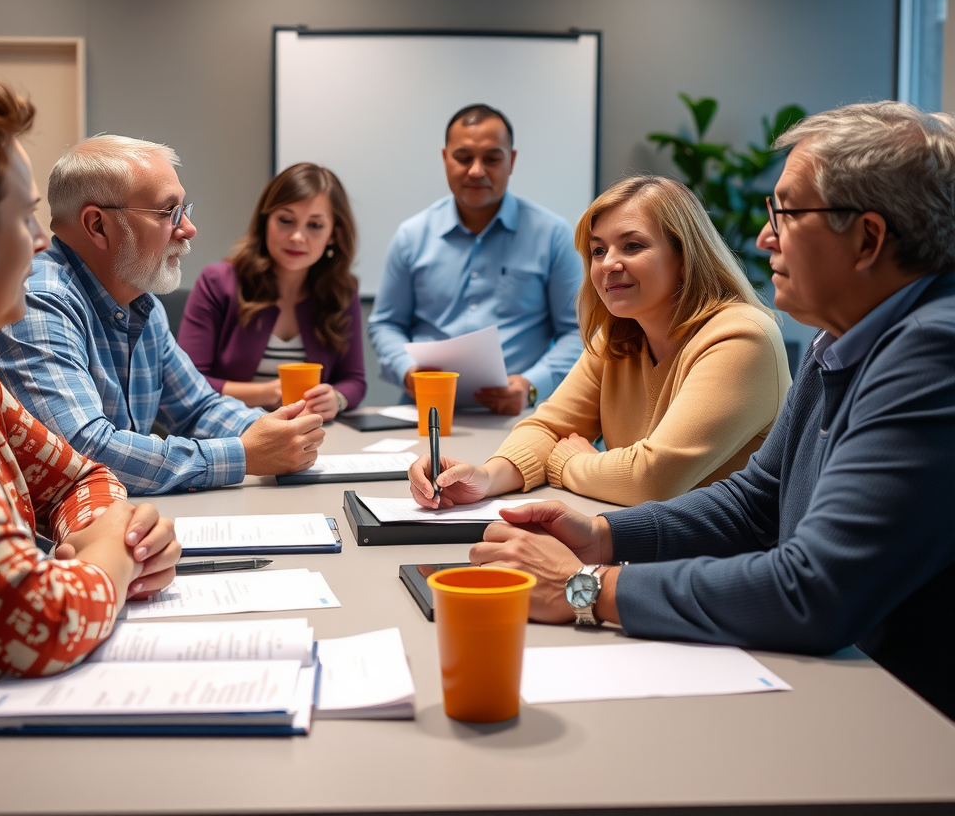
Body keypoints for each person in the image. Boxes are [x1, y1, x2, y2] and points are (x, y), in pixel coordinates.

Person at [470, 101, 955, 720]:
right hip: (851, 681)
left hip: (913, 721)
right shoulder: (838, 341)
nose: (764, 236)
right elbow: (759, 503)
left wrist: (584, 588)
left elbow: (814, 591)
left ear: (867, 238)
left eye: (786, 212)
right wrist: (602, 535)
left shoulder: (934, 351)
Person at [0, 60, 180, 676]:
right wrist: (113, 554)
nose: (42, 242)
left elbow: (78, 478)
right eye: (24, 219)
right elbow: (47, 624)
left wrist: (106, 529)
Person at [409, 175, 790, 507]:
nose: (608, 263)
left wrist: (569, 463)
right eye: (598, 250)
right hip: (645, 547)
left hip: (725, 569)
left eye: (633, 246)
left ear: (685, 257)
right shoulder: (618, 336)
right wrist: (486, 478)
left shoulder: (742, 337)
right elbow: (546, 429)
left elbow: (652, 480)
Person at [0, 134, 325, 495]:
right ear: (98, 226)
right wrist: (243, 454)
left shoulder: (141, 302)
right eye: (168, 213)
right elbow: (83, 453)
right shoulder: (40, 300)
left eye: (184, 211)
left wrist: (281, 432)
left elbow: (197, 409)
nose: (188, 229)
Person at [369, 104, 582, 415]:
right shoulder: (411, 236)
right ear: (445, 159)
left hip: (518, 417)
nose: (476, 171)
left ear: (512, 161)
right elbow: (386, 324)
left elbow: (577, 330)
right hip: (426, 412)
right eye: (463, 157)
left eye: (492, 159)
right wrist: (407, 371)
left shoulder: (552, 234)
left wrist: (531, 385)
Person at [178, 163, 366, 420]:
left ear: (334, 234)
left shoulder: (342, 290)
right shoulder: (218, 281)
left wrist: (337, 398)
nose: (298, 236)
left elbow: (354, 380)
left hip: (312, 433)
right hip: (231, 431)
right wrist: (266, 393)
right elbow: (186, 381)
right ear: (265, 221)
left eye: (315, 226)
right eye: (286, 221)